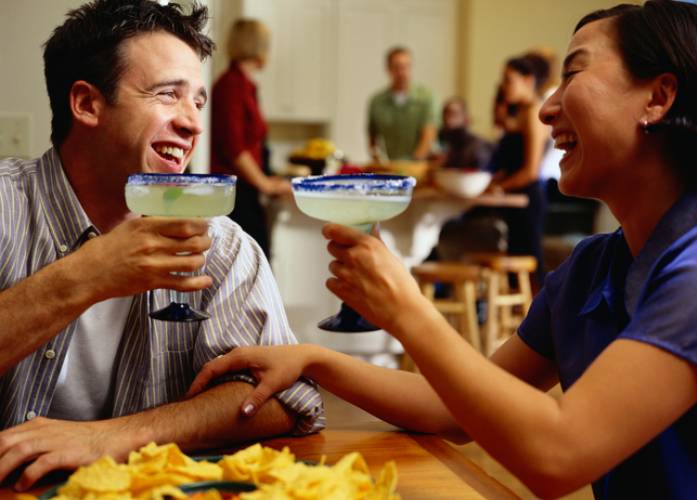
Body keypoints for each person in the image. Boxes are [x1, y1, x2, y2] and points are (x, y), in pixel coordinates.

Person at [187, 1, 697, 498]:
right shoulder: (591, 269)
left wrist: (406, 309)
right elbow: (450, 407)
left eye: (573, 73)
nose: (545, 109)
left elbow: (559, 456)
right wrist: (311, 359)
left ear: (659, 97)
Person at [0, 0, 323, 490]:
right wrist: (86, 275)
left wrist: (110, 438)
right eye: (168, 95)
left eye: (197, 101)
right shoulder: (6, 207)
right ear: (87, 103)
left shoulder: (224, 245)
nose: (192, 123)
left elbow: (281, 397)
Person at [467, 53, 552, 284]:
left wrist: (496, 187)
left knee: (530, 268)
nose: (504, 86)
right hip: (514, 199)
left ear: (528, 80)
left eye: (508, 80)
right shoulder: (519, 113)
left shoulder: (534, 113)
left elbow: (530, 171)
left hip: (528, 199)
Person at [211, 19, 291, 259]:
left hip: (246, 189)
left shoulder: (245, 85)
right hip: (234, 194)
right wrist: (265, 184)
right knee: (253, 260)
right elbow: (235, 148)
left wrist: (267, 177)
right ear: (259, 47)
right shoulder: (231, 86)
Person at [367, 46, 437, 162]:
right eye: (397, 67)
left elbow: (429, 134)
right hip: (393, 164)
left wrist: (413, 163)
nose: (402, 72)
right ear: (388, 69)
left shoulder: (426, 97)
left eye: (406, 66)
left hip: (422, 166)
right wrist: (377, 161)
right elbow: (372, 137)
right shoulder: (377, 102)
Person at [434, 96, 491, 169]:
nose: (447, 120)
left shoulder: (478, 148)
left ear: (466, 119)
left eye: (453, 114)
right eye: (445, 114)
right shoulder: (448, 144)